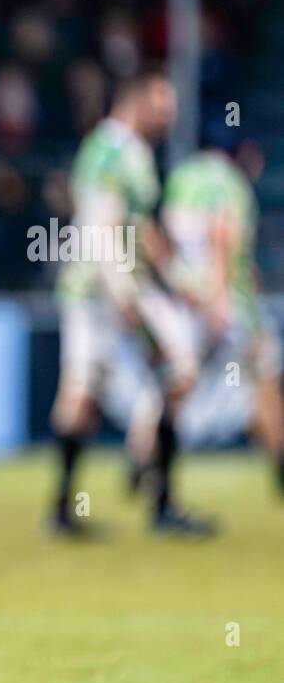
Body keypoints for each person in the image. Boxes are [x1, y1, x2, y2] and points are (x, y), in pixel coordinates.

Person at [49, 69, 213, 537]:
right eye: (161, 105)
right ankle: (155, 498)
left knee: (153, 374)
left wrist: (179, 278)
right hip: (102, 291)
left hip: (114, 287)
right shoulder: (110, 150)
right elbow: (104, 229)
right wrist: (124, 291)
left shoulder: (132, 153)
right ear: (136, 100)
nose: (167, 116)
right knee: (170, 368)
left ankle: (98, 495)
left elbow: (139, 228)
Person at [160, 142, 284, 489]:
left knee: (177, 383)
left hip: (188, 299)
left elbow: (163, 239)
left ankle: (146, 459)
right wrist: (219, 295)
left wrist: (184, 286)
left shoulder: (180, 179)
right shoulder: (231, 183)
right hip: (228, 303)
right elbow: (222, 235)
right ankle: (280, 465)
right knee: (266, 375)